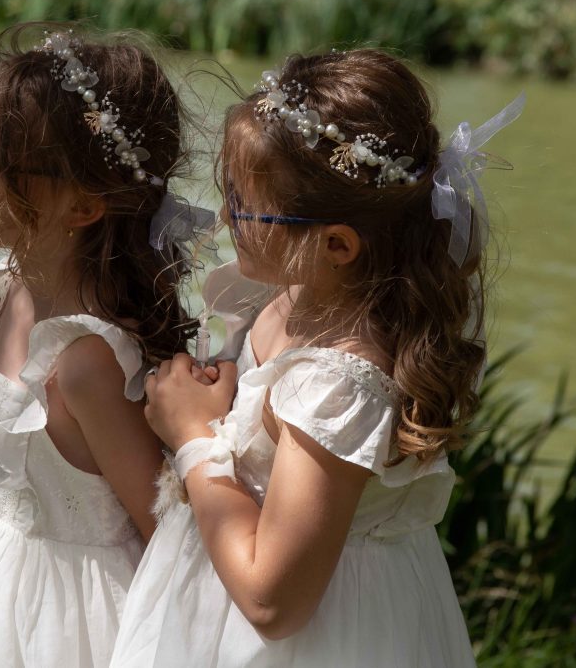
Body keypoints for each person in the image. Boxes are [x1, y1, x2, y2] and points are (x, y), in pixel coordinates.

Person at [111, 49, 524, 667]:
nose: (225, 216)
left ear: (335, 243)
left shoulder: (340, 385)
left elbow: (274, 603)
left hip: (323, 640)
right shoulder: (295, 294)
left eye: (244, 207)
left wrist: (194, 434)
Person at [0, 24, 207, 667]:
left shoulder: (87, 362)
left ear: (84, 206)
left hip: (85, 629)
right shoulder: (2, 298)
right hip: (7, 600)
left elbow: (166, 542)